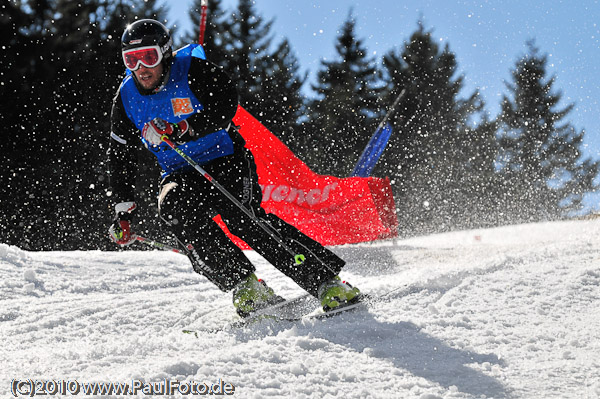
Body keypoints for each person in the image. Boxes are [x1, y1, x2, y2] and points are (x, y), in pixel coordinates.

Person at [108, 19, 361, 317]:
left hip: (224, 157)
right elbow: (120, 155)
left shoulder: (192, 70)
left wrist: (185, 127)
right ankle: (245, 285)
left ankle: (326, 282)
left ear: (165, 53)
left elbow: (226, 104)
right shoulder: (126, 98)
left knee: (244, 218)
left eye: (148, 57)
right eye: (131, 60)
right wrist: (123, 212)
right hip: (180, 171)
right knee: (173, 209)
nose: (141, 68)